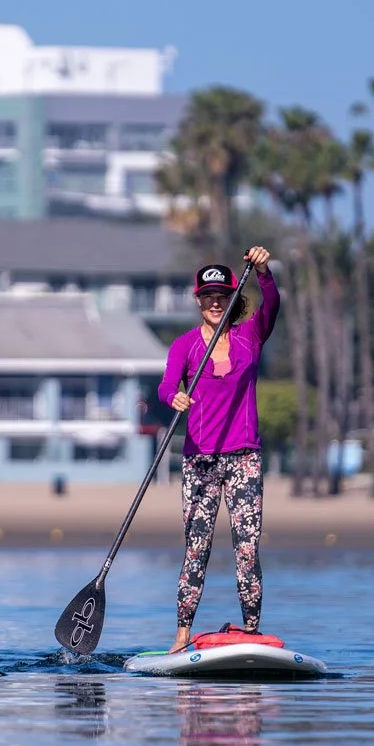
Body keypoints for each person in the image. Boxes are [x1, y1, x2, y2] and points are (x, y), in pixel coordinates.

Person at [161, 246, 278, 652]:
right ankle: (181, 634)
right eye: (208, 296)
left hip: (244, 458)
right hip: (199, 462)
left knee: (247, 547)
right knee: (197, 548)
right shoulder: (185, 346)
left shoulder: (250, 337)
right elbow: (165, 385)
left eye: (222, 295)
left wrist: (264, 273)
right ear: (198, 300)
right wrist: (173, 397)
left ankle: (251, 629)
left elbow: (274, 303)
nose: (215, 302)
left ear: (231, 299)